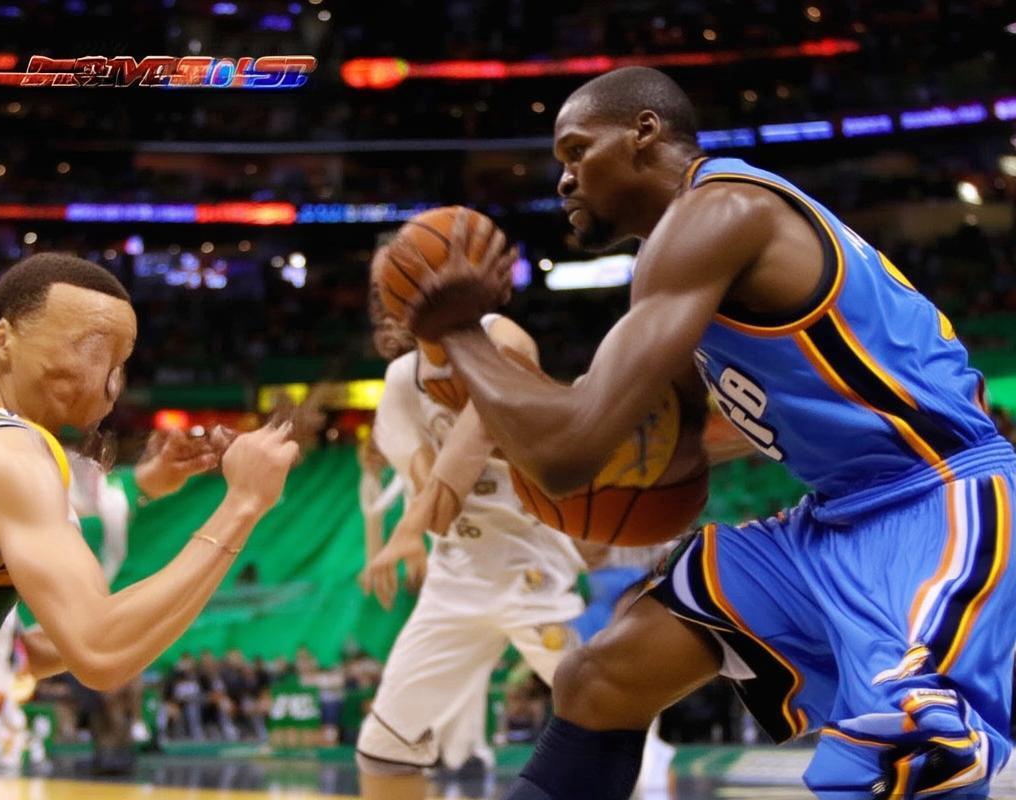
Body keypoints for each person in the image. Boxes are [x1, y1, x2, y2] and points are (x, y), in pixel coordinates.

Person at [406, 67, 1016, 800]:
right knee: (601, 677)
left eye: (576, 151)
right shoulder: (691, 246)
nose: (564, 180)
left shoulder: (719, 213)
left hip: (939, 504)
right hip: (835, 517)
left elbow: (569, 453)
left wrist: (460, 333)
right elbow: (665, 441)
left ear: (644, 132)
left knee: (908, 767)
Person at [0, 252, 299, 799]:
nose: (107, 382)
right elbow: (100, 651)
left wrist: (144, 486)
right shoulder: (13, 452)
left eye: (120, 362)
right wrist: (244, 504)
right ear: (4, 339)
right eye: (89, 350)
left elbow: (14, 647)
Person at [355, 257, 587, 800]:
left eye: (395, 287)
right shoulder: (400, 381)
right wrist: (413, 533)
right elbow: (429, 484)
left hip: (530, 561)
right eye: (382, 294)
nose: (385, 305)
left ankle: (647, 768)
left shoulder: (501, 336)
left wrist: (410, 527)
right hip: (455, 576)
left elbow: (479, 426)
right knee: (384, 745)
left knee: (601, 711)